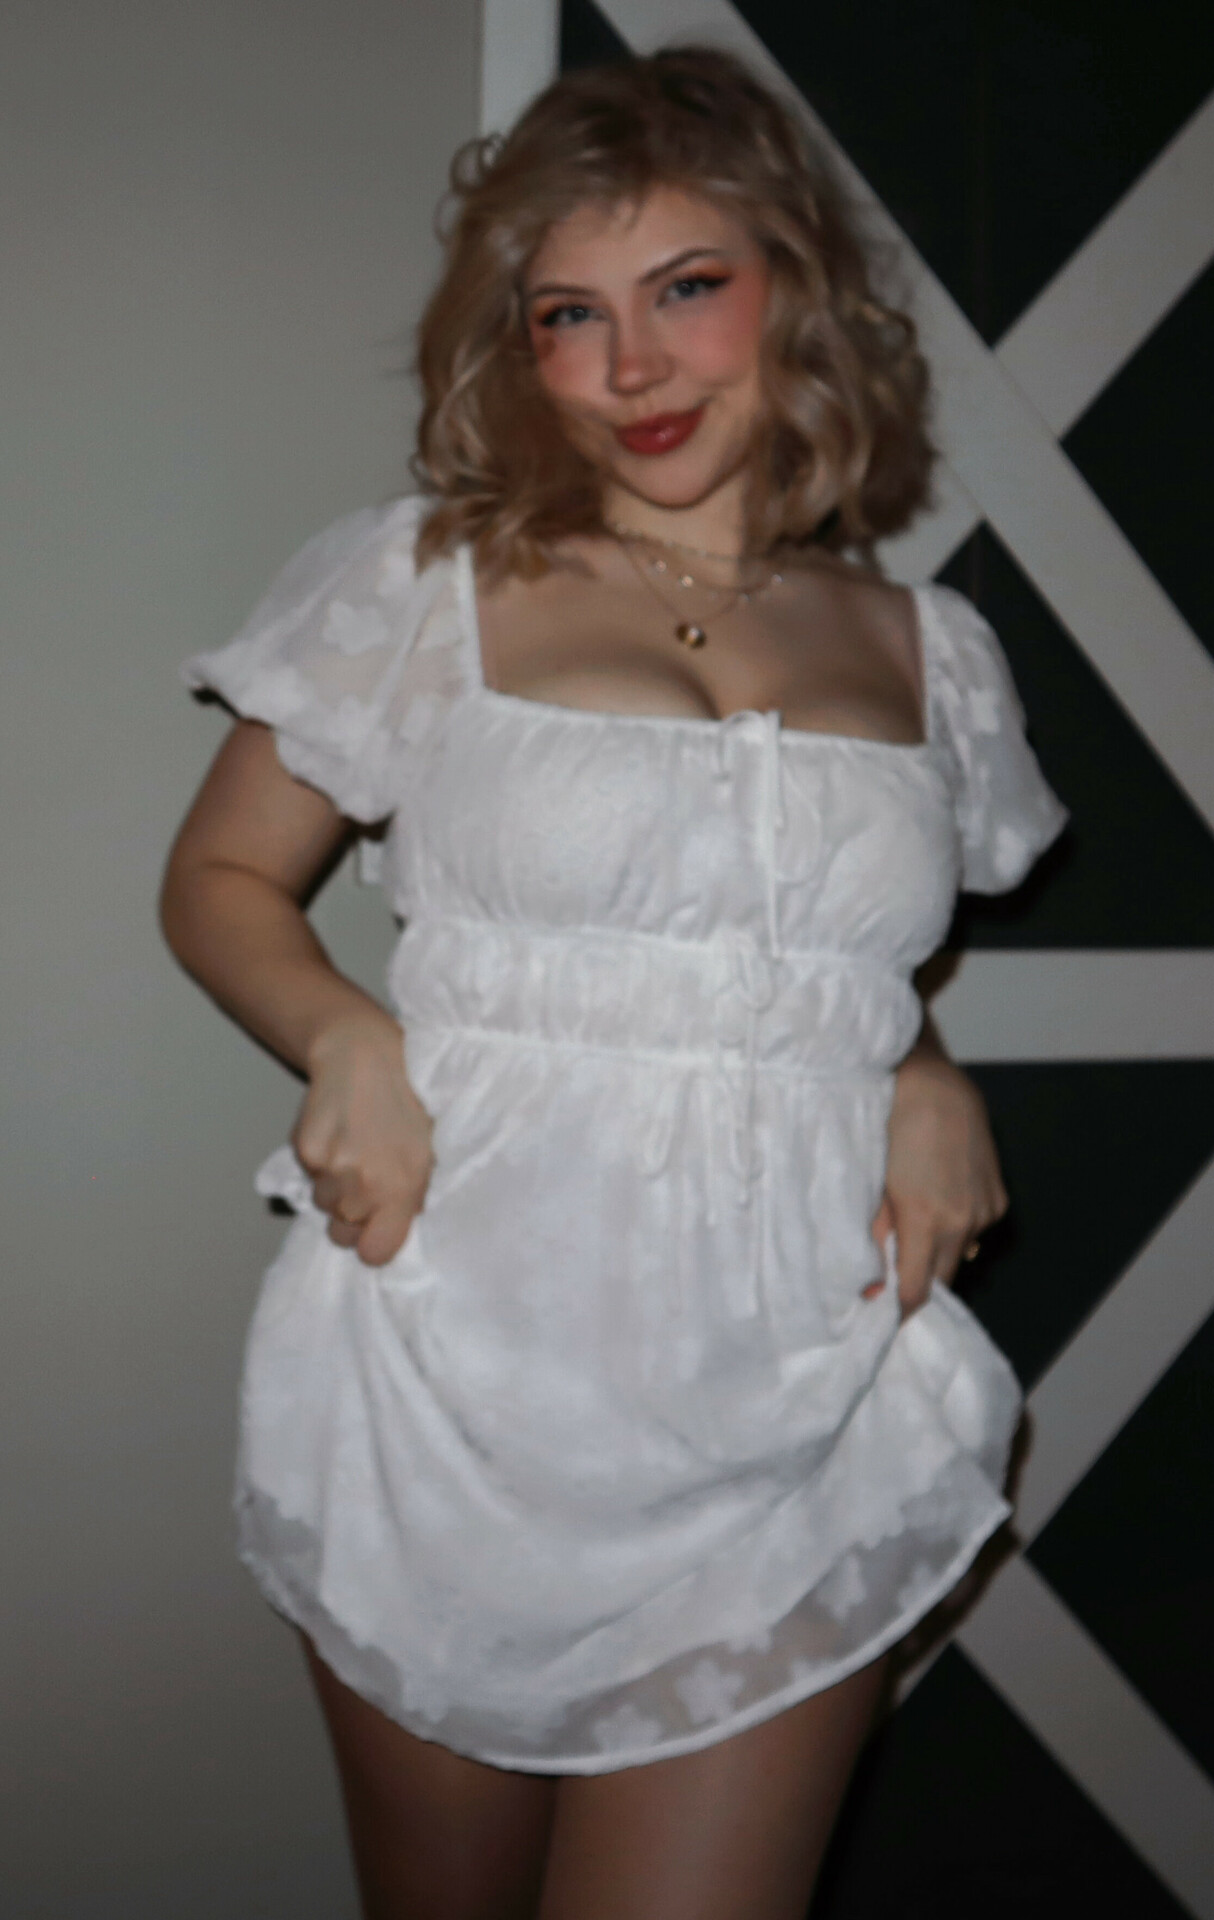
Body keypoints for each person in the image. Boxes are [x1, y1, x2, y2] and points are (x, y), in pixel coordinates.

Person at [161, 45, 1065, 1920]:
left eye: (686, 289)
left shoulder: (930, 650)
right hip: (458, 1364)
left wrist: (920, 1067)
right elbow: (221, 878)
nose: (633, 367)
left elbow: (819, 952)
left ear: (796, 292)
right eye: (570, 315)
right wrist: (344, 1039)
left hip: (789, 1385)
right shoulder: (424, 584)